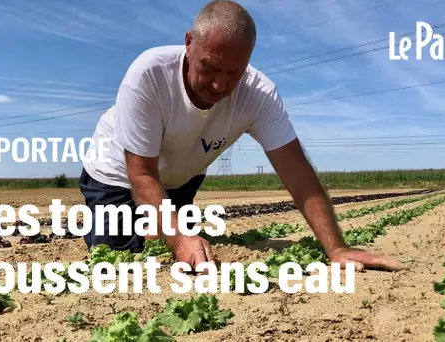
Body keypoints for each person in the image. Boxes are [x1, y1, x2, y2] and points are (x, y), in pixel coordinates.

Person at [80, 0, 403, 272]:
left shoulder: (258, 94)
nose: (221, 85)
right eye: (210, 68)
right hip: (118, 173)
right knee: (119, 258)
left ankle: (158, 227)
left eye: (235, 72)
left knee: (168, 246)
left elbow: (297, 173)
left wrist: (336, 249)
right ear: (189, 43)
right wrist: (179, 237)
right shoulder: (150, 74)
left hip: (181, 176)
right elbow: (142, 175)